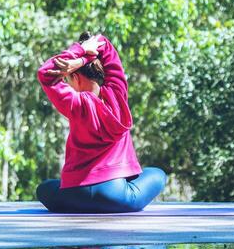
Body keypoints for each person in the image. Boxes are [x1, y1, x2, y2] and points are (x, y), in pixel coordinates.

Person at [34, 32, 167, 213]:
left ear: (76, 77)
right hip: (116, 197)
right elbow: (105, 44)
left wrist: (79, 52)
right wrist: (83, 60)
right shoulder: (118, 95)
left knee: (44, 188)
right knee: (158, 174)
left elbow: (44, 73)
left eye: (67, 78)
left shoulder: (75, 103)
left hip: (74, 196)